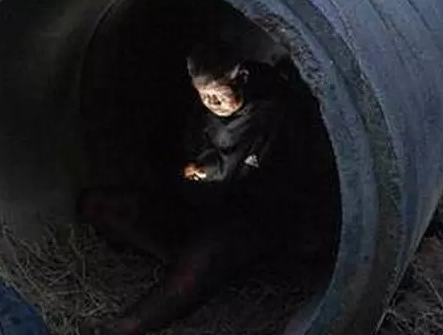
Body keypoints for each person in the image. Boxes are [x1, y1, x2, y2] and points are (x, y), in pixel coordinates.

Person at [78, 39, 320, 335]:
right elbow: (178, 152)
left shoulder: (274, 112)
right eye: (205, 96)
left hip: (250, 219)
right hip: (200, 205)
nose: (213, 103)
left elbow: (287, 181)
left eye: (219, 93)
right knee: (101, 206)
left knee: (204, 258)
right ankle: (182, 261)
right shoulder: (202, 111)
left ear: (241, 78)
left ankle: (123, 327)